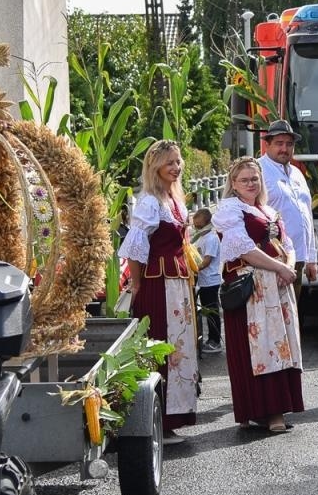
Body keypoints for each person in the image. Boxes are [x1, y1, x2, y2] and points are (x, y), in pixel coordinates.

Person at [213, 157, 305, 433]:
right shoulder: (230, 209)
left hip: (277, 285)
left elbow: (287, 244)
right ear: (233, 184)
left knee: (280, 345)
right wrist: (280, 267)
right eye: (244, 179)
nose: (251, 183)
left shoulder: (267, 209)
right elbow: (244, 249)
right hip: (253, 289)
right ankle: (265, 412)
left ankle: (276, 408)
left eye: (255, 178)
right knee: (261, 346)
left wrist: (288, 266)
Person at [117, 140, 199, 430]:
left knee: (178, 344)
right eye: (169, 163)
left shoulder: (173, 199)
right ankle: (159, 420)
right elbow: (135, 247)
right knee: (160, 344)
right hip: (158, 286)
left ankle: (175, 415)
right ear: (155, 167)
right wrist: (137, 284)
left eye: (178, 161)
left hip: (177, 285)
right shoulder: (151, 202)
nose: (176, 167)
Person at [260, 120, 318, 289]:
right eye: (279, 143)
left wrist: (311, 258)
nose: (284, 149)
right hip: (273, 257)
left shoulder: (297, 173)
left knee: (294, 305)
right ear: (267, 145)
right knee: (275, 304)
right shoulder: (258, 170)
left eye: (289, 144)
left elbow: (307, 216)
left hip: (298, 257)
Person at [192, 207, 223, 353]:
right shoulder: (201, 238)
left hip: (211, 280)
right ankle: (210, 339)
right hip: (204, 281)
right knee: (207, 312)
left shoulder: (211, 238)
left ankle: (215, 342)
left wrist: (194, 269)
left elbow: (206, 261)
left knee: (212, 312)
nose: (196, 227)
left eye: (198, 225)